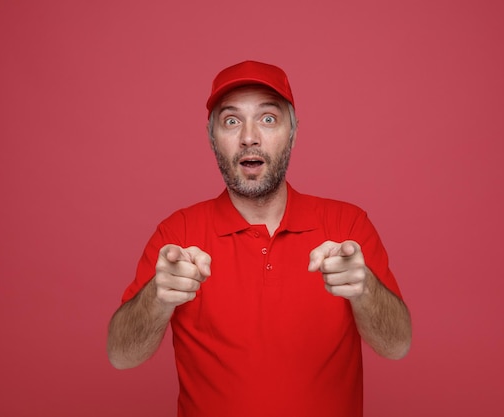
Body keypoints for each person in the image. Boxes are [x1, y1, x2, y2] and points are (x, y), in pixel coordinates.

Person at [107, 60, 412, 417]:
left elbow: (397, 346)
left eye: (268, 119)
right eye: (231, 121)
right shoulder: (177, 235)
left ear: (293, 133)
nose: (249, 136)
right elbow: (121, 356)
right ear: (211, 139)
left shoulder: (348, 226)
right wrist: (156, 298)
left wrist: (366, 290)